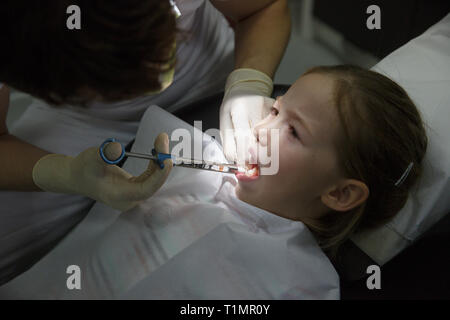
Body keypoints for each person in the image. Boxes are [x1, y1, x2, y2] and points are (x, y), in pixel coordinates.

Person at [0, 65, 427, 299]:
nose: (261, 128)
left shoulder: (303, 284)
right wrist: (71, 174)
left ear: (339, 192)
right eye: (275, 110)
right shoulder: (193, 156)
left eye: (293, 131)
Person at [0, 0, 291, 284]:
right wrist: (65, 173)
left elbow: (264, 7)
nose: (155, 83)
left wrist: (248, 82)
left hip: (208, 69)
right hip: (88, 120)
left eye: (162, 58)